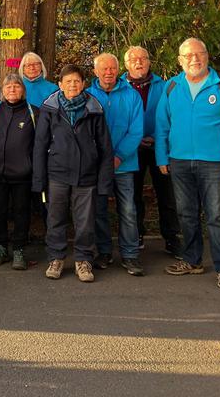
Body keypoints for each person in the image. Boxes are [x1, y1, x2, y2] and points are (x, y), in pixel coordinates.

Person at [155, 38, 220, 290]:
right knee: (186, 214)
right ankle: (192, 261)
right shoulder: (172, 86)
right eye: (189, 55)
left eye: (200, 54)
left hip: (215, 163)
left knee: (217, 216)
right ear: (180, 60)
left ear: (207, 56)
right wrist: (162, 157)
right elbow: (162, 124)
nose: (195, 59)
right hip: (180, 162)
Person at [32, 64, 114, 283]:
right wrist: (39, 181)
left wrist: (105, 182)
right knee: (55, 218)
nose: (72, 85)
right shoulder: (50, 108)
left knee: (85, 221)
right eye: (68, 81)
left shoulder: (94, 108)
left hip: (87, 176)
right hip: (56, 174)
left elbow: (105, 147)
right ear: (60, 84)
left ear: (83, 84)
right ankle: (56, 258)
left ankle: (83, 260)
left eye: (76, 81)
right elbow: (40, 145)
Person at [87, 53, 145, 276]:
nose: (109, 72)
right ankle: (104, 251)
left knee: (128, 210)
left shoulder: (131, 96)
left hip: (125, 164)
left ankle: (130, 255)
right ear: (96, 71)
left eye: (112, 68)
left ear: (118, 69)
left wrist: (119, 156)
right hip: (97, 165)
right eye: (104, 68)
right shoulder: (88, 96)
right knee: (99, 210)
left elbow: (136, 130)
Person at [122, 46, 182, 257]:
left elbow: (172, 116)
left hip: (160, 147)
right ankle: (136, 234)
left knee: (166, 195)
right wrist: (135, 139)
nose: (138, 62)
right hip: (132, 149)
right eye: (133, 59)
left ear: (149, 62)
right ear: (126, 64)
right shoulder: (120, 86)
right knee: (133, 195)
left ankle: (172, 238)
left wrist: (157, 137)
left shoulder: (164, 86)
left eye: (143, 59)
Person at [0, 74, 38, 270]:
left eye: (16, 86)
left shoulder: (33, 112)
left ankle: (19, 250)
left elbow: (39, 144)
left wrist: (32, 166)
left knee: (21, 212)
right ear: (2, 91)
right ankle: (1, 248)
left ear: (23, 90)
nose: (12, 90)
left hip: (22, 174)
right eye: (8, 87)